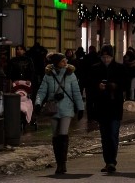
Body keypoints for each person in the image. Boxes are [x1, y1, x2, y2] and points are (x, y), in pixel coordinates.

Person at [34, 52, 84, 174]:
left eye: (65, 60)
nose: (65, 63)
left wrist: (80, 107)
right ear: (56, 63)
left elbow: (76, 92)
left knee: (63, 134)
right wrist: (38, 103)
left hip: (67, 108)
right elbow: (41, 91)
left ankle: (63, 163)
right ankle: (59, 163)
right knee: (56, 136)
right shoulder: (48, 76)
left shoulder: (70, 75)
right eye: (63, 61)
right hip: (53, 109)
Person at [88, 45, 129, 173]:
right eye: (104, 57)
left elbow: (125, 84)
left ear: (112, 56)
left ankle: (112, 161)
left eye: (108, 57)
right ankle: (107, 162)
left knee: (113, 134)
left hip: (115, 106)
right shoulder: (95, 68)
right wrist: (97, 86)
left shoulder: (119, 68)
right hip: (101, 107)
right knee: (104, 136)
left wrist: (114, 86)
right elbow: (89, 85)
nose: (106, 59)